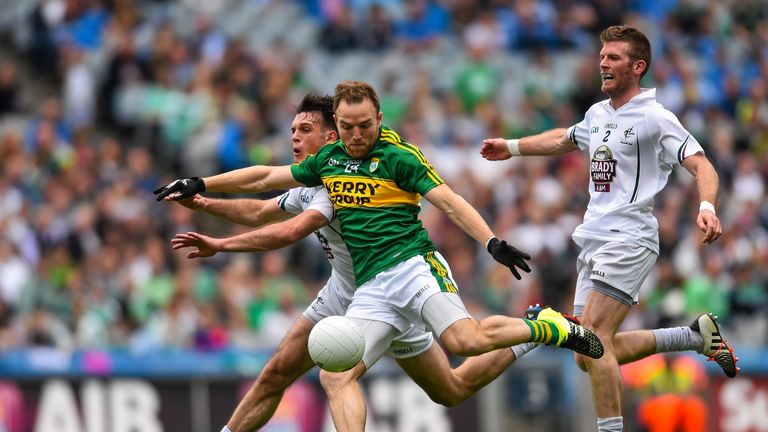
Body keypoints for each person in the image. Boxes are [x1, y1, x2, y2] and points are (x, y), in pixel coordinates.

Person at [155, 80, 605, 431]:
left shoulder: (398, 156)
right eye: (348, 127)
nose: (355, 136)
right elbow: (263, 182)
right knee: (366, 379)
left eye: (363, 126)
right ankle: (531, 332)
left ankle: (545, 327)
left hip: (412, 268)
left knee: (463, 343)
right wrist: (203, 184)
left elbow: (446, 200)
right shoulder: (327, 163)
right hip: (367, 290)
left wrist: (490, 241)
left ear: (378, 119)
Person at [480, 25, 738, 432]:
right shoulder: (598, 114)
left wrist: (707, 205)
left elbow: (702, 164)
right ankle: (691, 337)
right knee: (587, 354)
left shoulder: (655, 117)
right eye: (602, 56)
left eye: (613, 57)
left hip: (630, 237)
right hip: (594, 238)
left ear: (638, 67)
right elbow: (563, 139)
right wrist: (511, 147)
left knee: (593, 337)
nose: (603, 62)